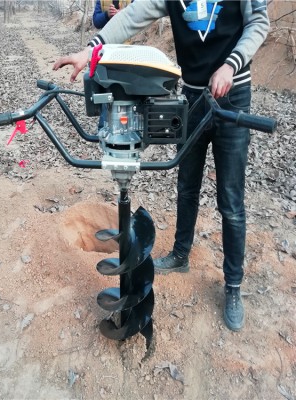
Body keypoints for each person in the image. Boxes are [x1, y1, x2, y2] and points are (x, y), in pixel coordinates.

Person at [53, 0, 270, 332]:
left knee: (230, 200)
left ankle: (233, 285)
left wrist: (231, 65)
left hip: (232, 95)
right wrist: (90, 51)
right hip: (192, 97)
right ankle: (180, 255)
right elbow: (132, 16)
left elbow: (258, 23)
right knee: (186, 186)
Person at [92, 0, 132, 131]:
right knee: (106, 88)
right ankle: (104, 126)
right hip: (105, 52)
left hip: (125, 52)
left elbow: (138, 16)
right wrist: (106, 15)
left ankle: (126, 126)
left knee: (124, 90)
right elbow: (96, 21)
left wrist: (122, 15)